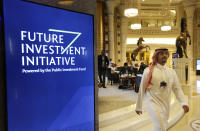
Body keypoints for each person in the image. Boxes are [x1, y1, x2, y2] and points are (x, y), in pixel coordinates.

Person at [135, 48, 189, 131]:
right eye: (161, 54)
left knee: (162, 125)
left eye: (165, 53)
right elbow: (141, 89)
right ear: (156, 56)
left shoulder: (171, 72)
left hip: (165, 104)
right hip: (153, 102)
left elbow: (177, 89)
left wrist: (183, 103)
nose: (164, 55)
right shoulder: (148, 71)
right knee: (160, 127)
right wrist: (139, 106)